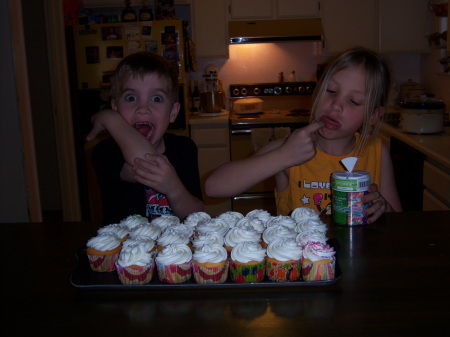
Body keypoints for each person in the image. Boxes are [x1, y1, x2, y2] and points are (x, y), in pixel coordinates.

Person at [205, 47, 402, 224]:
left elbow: (399, 224)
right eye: (331, 91)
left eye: (354, 101)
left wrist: (383, 208)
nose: (336, 105)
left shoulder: (376, 151)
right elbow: (214, 187)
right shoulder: (289, 149)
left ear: (373, 115)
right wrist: (284, 156)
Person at [86, 51, 203, 224]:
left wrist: (174, 188)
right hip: (125, 248)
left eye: (156, 98)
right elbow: (143, 160)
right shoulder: (105, 153)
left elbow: (197, 217)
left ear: (173, 112)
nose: (142, 108)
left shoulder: (184, 149)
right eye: (131, 97)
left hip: (173, 249)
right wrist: (111, 118)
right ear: (115, 108)